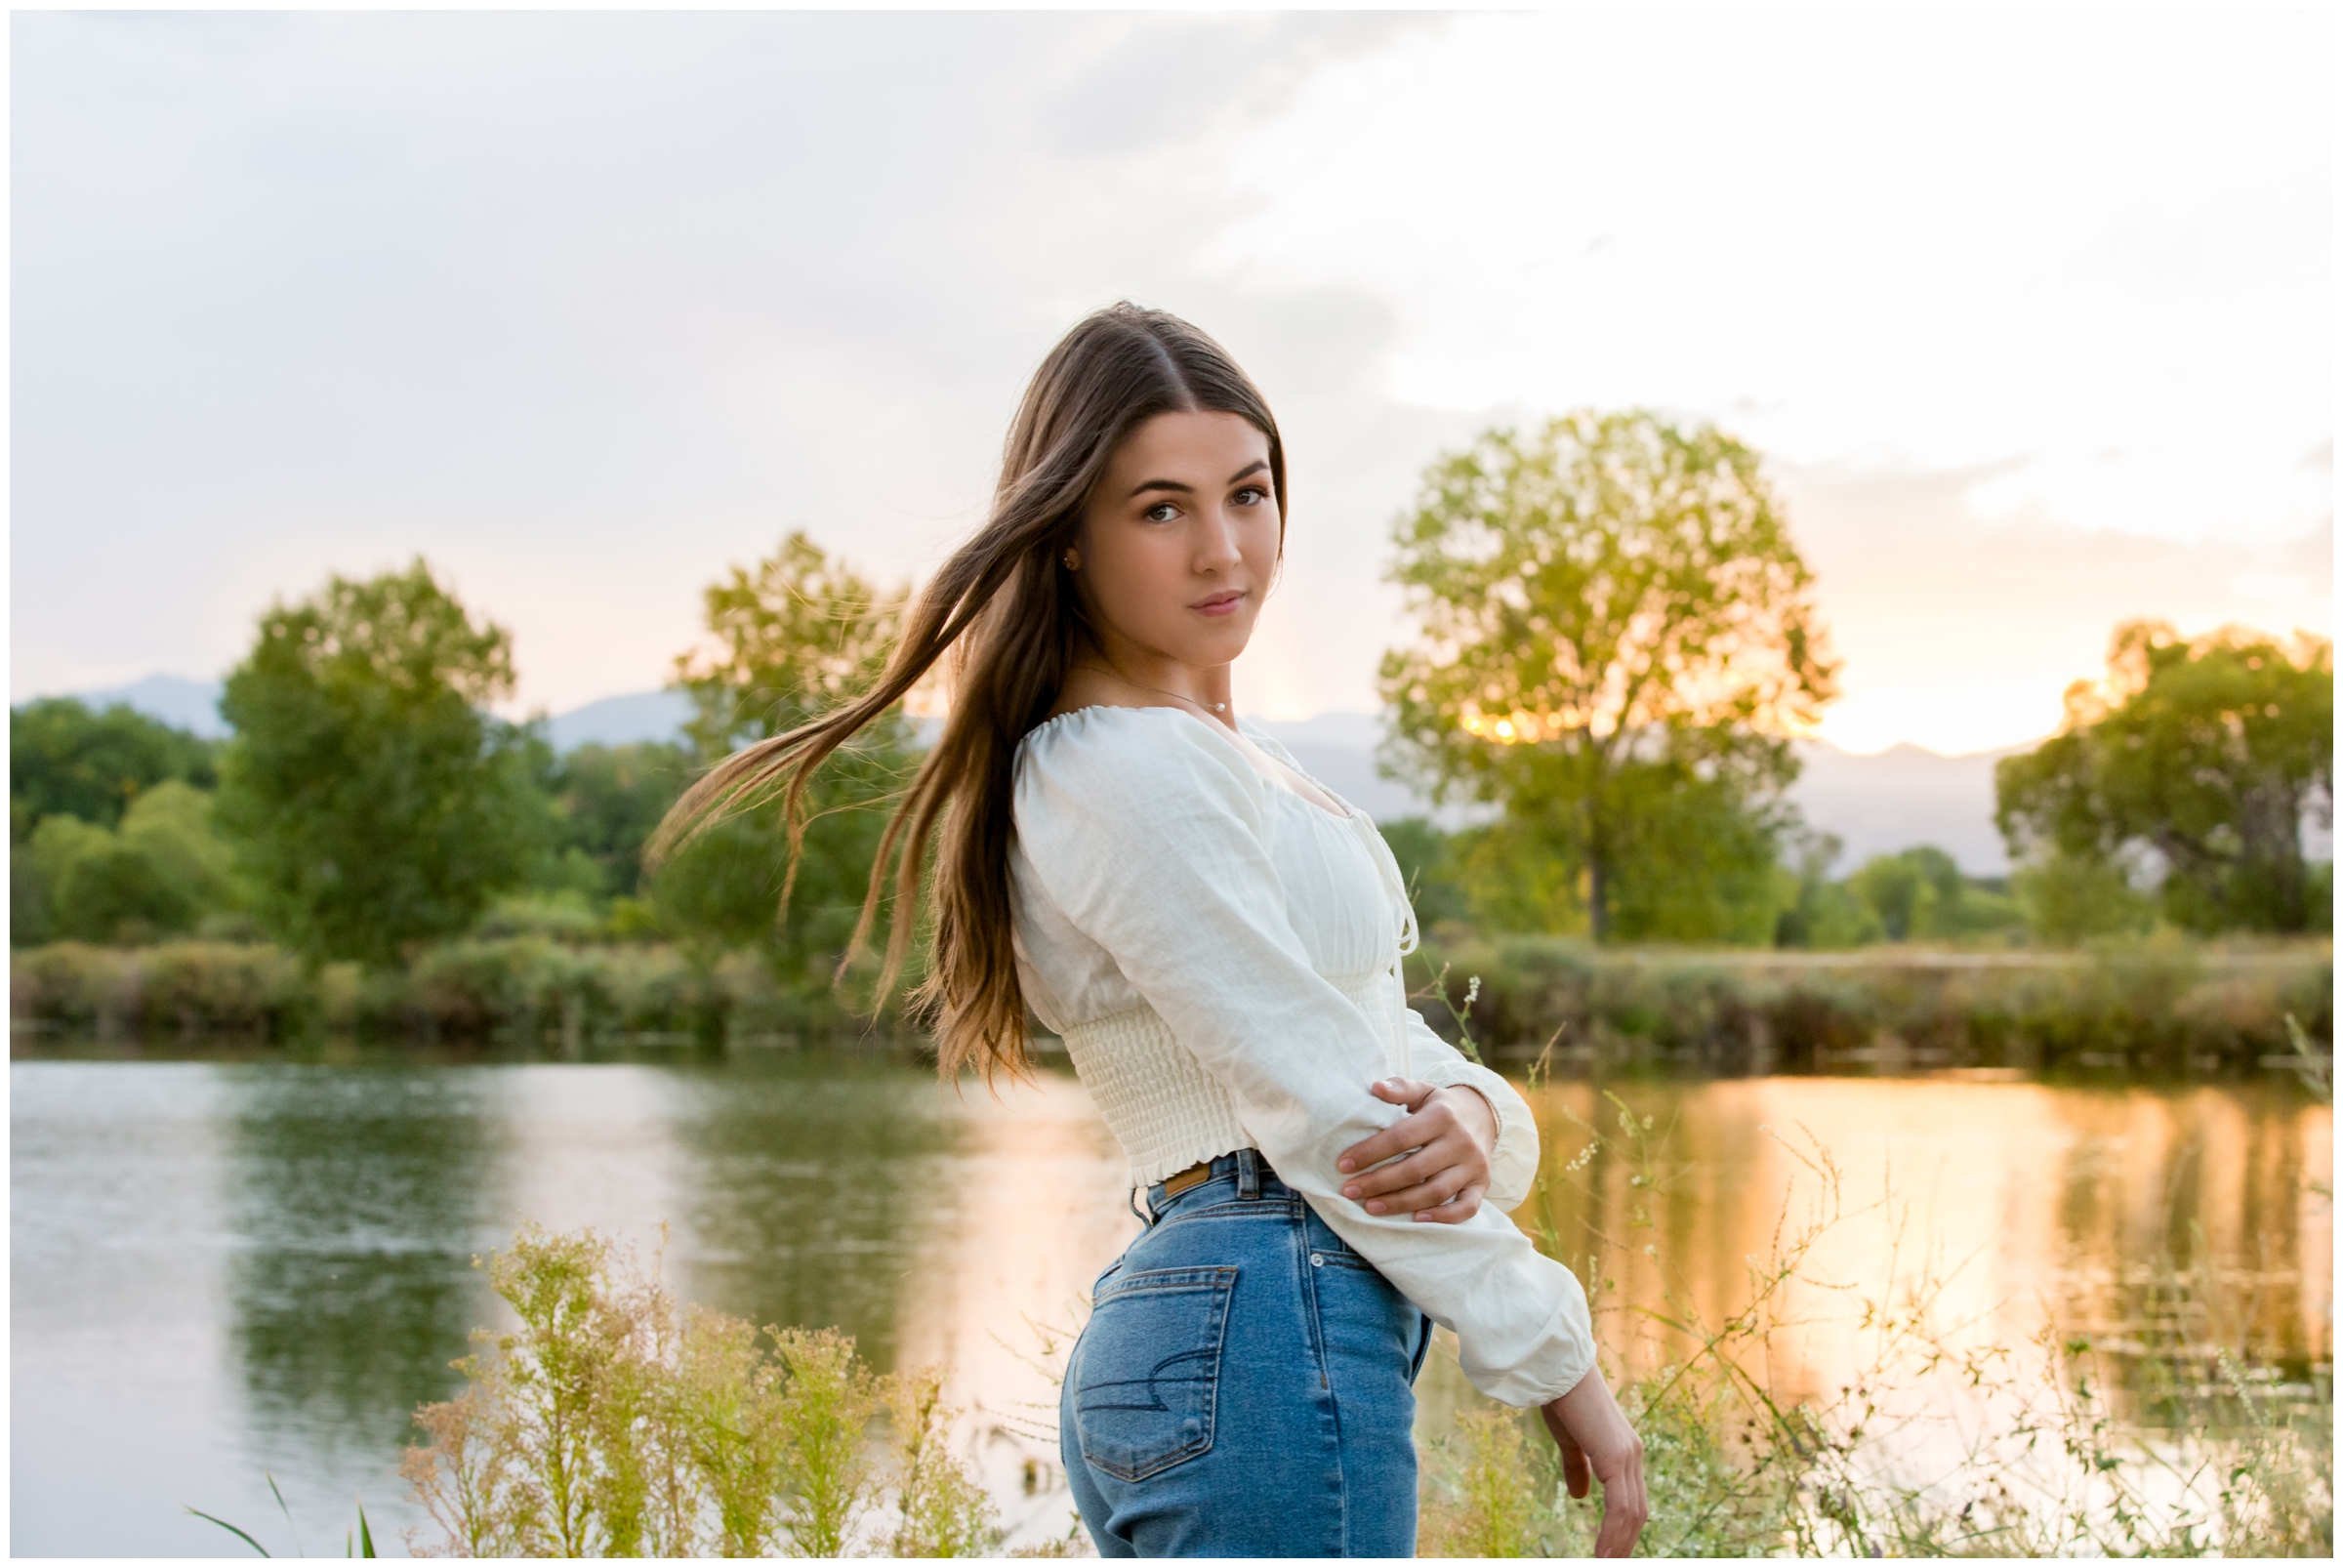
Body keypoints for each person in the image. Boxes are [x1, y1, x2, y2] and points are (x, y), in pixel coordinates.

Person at [654, 303, 1646, 1557]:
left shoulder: (1223, 762)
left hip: (1249, 1312)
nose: (1223, 548)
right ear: (1069, 538)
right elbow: (1316, 1101)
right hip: (1266, 1307)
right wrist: (1560, 1360)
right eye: (1161, 508)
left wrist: (1484, 1119)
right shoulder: (1122, 770)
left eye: (1249, 491)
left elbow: (1367, 1037)